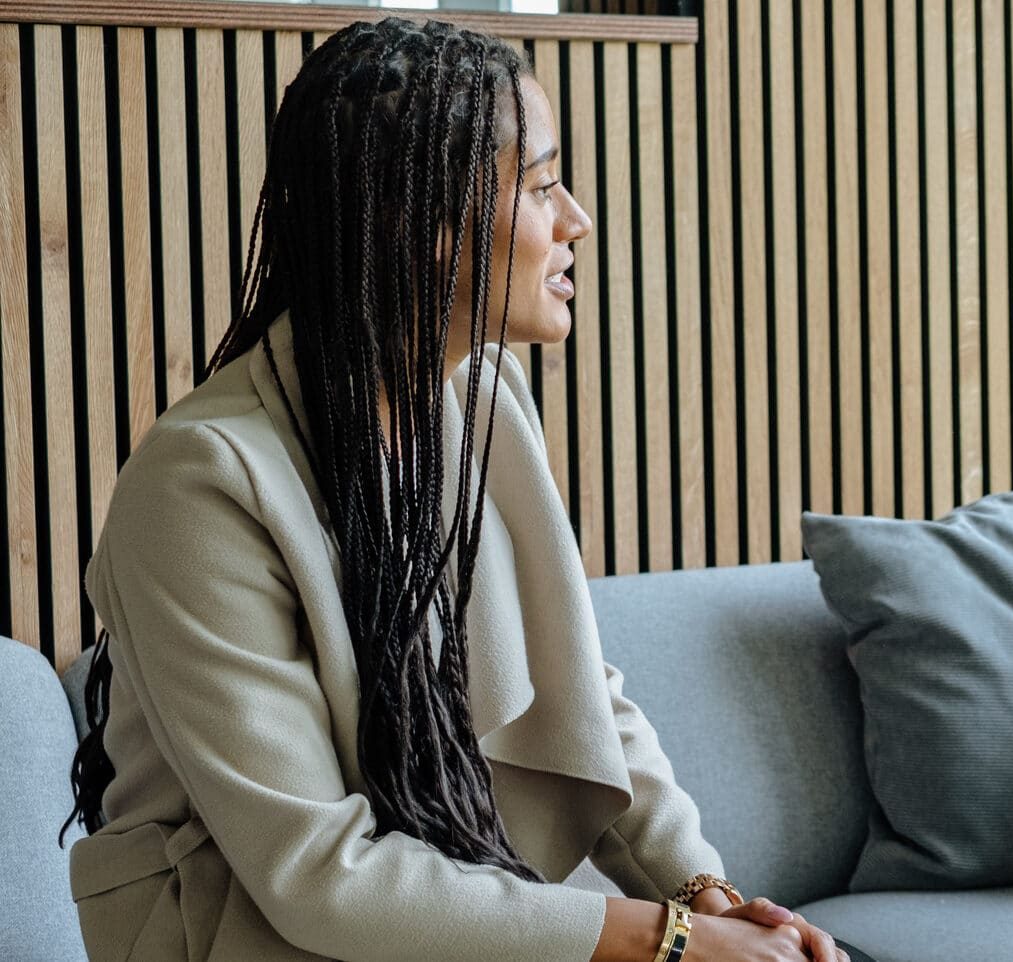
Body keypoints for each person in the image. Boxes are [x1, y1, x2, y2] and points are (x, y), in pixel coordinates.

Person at [63, 18, 862, 962]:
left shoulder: (483, 398)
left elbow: (583, 696)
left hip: (451, 909)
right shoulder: (200, 486)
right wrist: (668, 940)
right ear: (423, 224)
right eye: (540, 185)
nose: (577, 220)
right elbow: (316, 875)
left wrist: (702, 894)